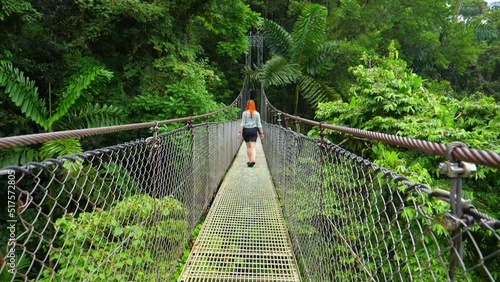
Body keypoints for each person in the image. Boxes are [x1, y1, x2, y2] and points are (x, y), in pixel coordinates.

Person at [237, 100, 264, 167]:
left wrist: (239, 132)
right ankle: (253, 160)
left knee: (248, 147)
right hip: (253, 130)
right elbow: (259, 125)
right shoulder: (257, 113)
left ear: (247, 105)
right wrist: (262, 133)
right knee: (253, 147)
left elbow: (242, 124)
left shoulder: (244, 113)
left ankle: (250, 161)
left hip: (246, 130)